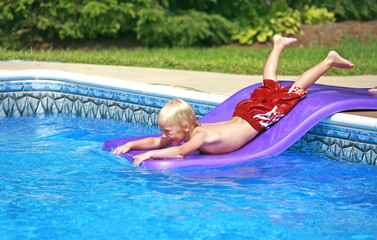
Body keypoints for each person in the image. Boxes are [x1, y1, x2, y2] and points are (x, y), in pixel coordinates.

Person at [114, 35, 354, 166]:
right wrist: (132, 146)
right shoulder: (189, 130)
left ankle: (328, 61)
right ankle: (278, 44)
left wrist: (148, 156)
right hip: (244, 112)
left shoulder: (199, 136)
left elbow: (178, 154)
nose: (165, 135)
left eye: (168, 130)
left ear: (186, 127)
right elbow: (158, 141)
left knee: (294, 90)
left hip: (256, 117)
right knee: (269, 84)